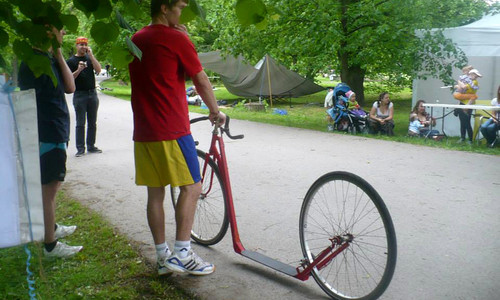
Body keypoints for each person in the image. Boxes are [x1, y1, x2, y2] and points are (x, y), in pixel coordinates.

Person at [128, 0, 226, 276]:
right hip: (171, 128)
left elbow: (159, 73)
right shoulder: (175, 39)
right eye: (180, 7)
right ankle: (183, 252)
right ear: (164, 8)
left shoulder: (135, 40)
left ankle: (163, 258)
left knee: (155, 194)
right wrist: (215, 111)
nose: (182, 12)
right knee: (192, 188)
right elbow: (201, 79)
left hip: (144, 131)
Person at [18, 26, 83, 258]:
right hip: (47, 131)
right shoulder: (32, 63)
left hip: (55, 130)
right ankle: (50, 245)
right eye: (59, 29)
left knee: (51, 185)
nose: (64, 33)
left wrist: (56, 53)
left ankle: (51, 227)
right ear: (46, 31)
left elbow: (70, 87)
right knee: (49, 188)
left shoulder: (47, 58)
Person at [66, 36, 103, 157]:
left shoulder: (89, 58)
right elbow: (68, 78)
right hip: (80, 95)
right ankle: (80, 148)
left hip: (92, 93)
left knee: (92, 122)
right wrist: (79, 69)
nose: (83, 47)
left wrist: (91, 56)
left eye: (85, 44)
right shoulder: (71, 61)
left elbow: (98, 69)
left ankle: (91, 146)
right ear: (76, 46)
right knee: (80, 122)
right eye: (81, 45)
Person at [455, 69, 482, 143]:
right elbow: (461, 91)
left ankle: (470, 139)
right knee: (462, 121)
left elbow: (463, 87)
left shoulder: (474, 82)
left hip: (468, 104)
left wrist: (458, 82)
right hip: (463, 102)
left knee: (467, 122)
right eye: (473, 75)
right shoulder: (468, 81)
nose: (474, 76)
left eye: (476, 75)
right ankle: (462, 137)